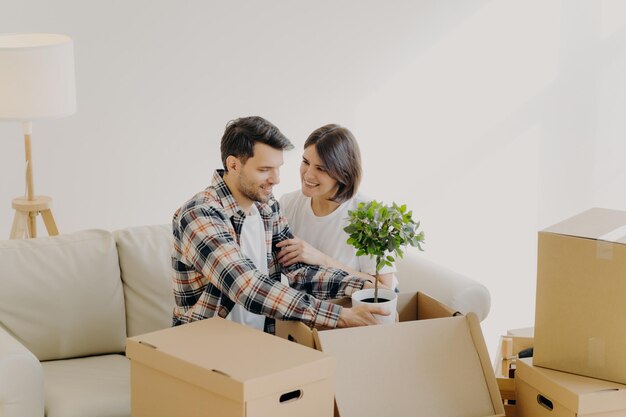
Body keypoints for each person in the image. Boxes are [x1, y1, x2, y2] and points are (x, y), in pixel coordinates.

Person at [171, 116, 388, 334]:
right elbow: (248, 287)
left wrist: (361, 287)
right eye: (265, 169)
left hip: (262, 342)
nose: (276, 179)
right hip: (204, 345)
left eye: (278, 168)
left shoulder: (267, 207)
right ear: (234, 165)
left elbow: (299, 272)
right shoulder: (200, 214)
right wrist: (340, 316)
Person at [277, 124, 398, 290]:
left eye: (321, 168)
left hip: (356, 307)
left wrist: (322, 259)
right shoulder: (287, 204)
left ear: (343, 173)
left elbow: (385, 288)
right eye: (305, 162)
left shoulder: (369, 216)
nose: (308, 174)